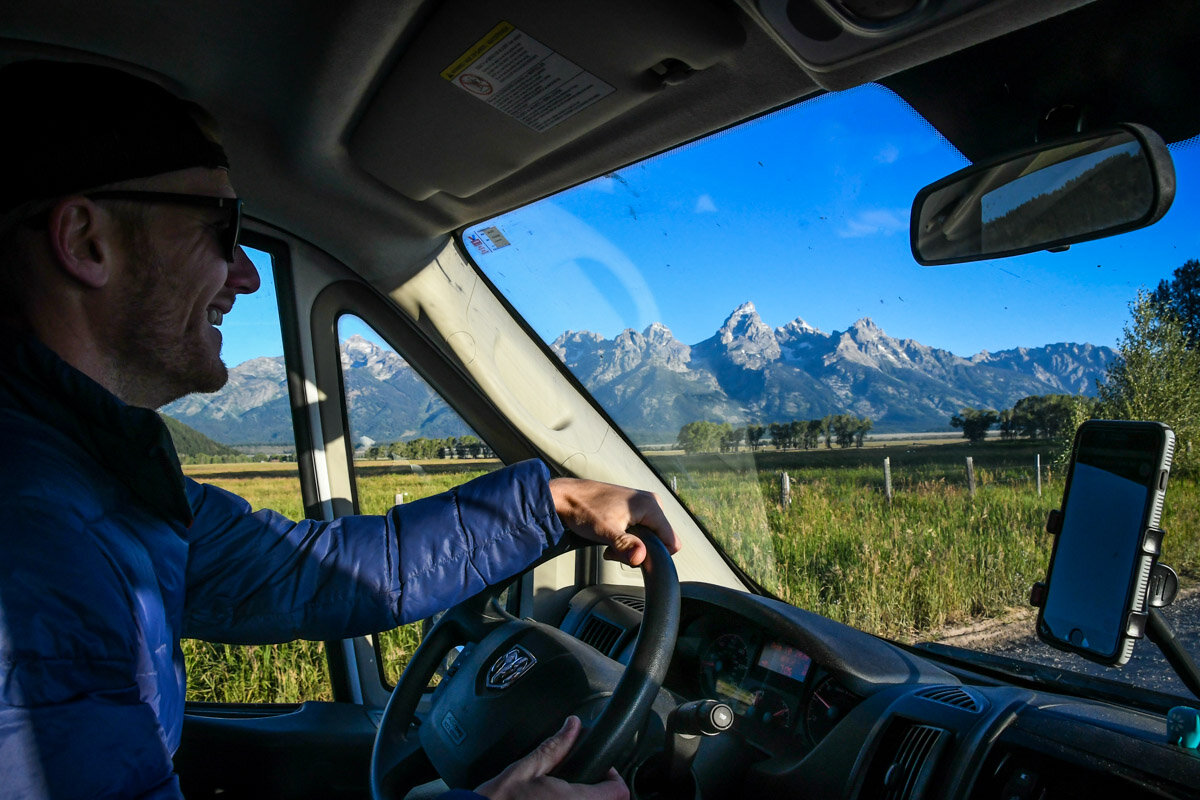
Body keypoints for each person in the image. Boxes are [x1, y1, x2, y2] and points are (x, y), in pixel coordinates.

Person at [0, 60, 677, 800]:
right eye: (221, 229)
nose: (245, 276)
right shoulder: (33, 542)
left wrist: (548, 507)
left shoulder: (96, 481)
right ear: (86, 241)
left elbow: (314, 571)